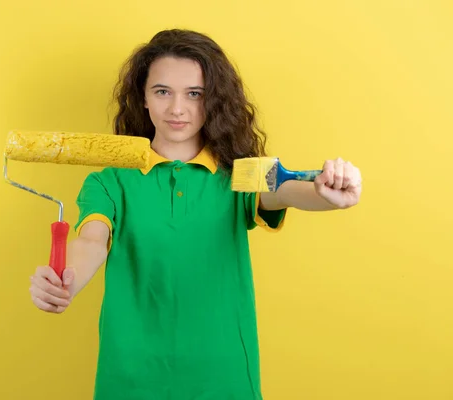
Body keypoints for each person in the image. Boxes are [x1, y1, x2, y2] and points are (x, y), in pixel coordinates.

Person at [28, 29, 362, 399]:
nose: (177, 109)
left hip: (224, 378)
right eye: (162, 92)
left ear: (213, 100)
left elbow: (287, 191)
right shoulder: (108, 182)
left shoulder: (240, 174)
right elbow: (92, 240)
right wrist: (64, 283)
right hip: (131, 377)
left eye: (194, 94)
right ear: (143, 97)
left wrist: (329, 193)